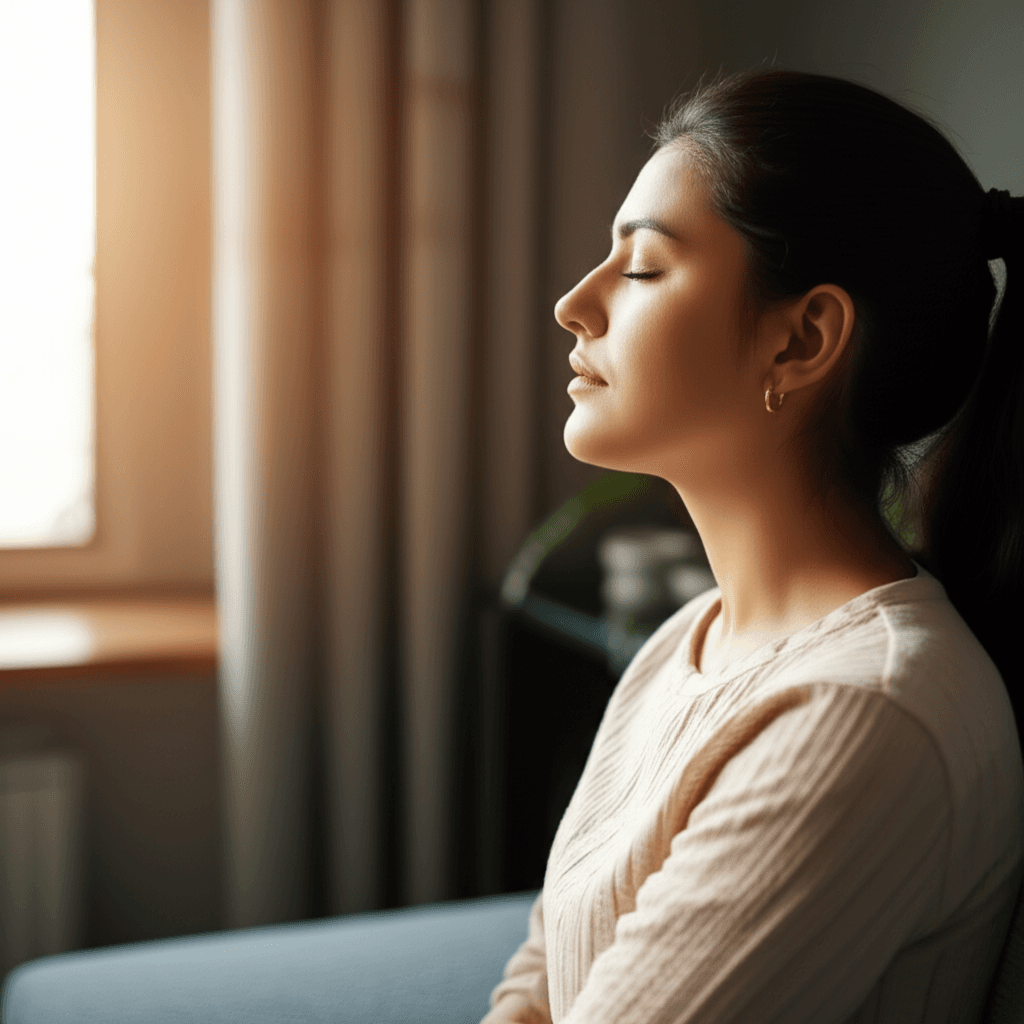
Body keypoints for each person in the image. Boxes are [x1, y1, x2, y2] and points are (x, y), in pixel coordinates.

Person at [482, 67, 1024, 1024]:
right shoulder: (691, 638)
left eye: (641, 267)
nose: (575, 302)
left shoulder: (863, 718)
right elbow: (543, 972)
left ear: (803, 339)